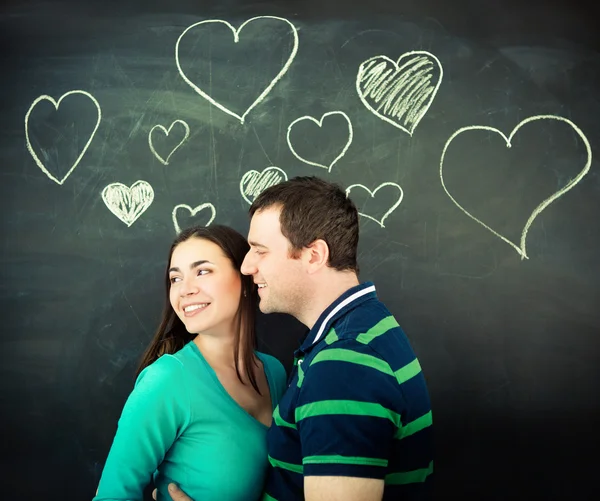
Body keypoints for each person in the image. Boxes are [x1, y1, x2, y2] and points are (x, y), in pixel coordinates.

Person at [165, 176, 434, 501]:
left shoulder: (343, 365)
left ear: (313, 255)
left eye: (260, 251)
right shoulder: (366, 326)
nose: (247, 266)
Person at [93, 225, 287, 501]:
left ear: (245, 280)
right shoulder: (167, 380)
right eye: (175, 278)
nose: (184, 290)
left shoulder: (275, 372)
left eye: (203, 271)